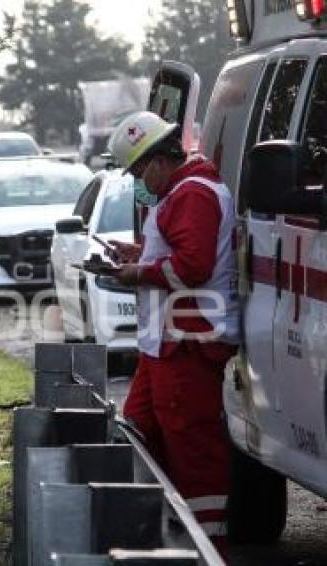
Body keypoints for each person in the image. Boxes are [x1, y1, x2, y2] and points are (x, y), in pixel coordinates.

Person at [105, 111, 241, 554]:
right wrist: (138, 253)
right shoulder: (184, 192)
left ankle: (205, 547)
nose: (138, 180)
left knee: (191, 446)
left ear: (160, 160)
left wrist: (137, 274)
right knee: (142, 431)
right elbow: (180, 250)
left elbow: (194, 266)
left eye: (139, 170)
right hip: (168, 342)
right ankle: (168, 536)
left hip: (189, 342)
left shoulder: (191, 194)